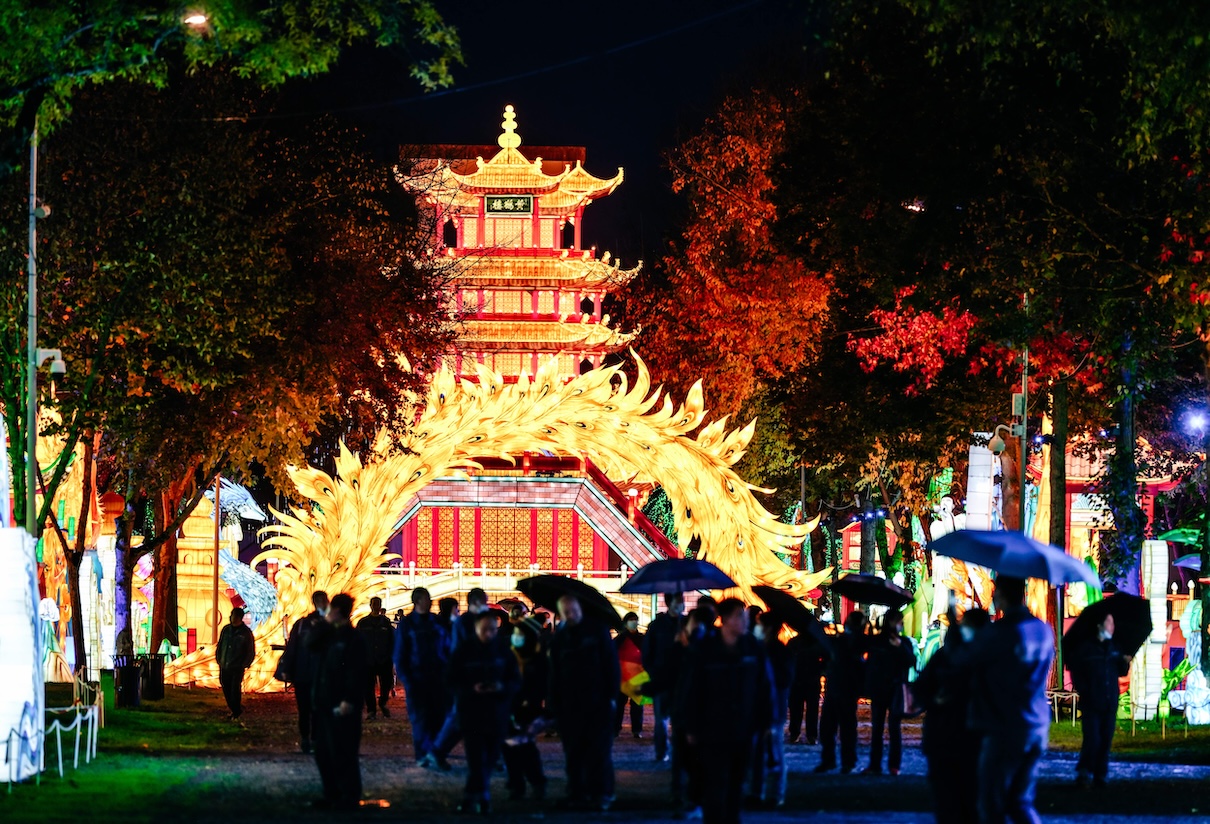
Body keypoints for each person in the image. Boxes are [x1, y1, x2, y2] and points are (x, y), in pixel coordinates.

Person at [954, 576, 1055, 824]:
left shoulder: (1001, 632)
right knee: (1021, 801)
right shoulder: (1042, 629)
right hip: (1036, 721)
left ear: (1002, 594)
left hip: (1006, 722)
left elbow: (966, 662)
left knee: (991, 802)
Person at [683, 598, 774, 824]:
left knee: (737, 781)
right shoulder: (706, 650)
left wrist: (766, 722)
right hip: (712, 727)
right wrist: (692, 726)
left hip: (744, 726)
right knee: (715, 781)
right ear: (725, 620)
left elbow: (765, 687)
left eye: (743, 616)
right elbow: (693, 689)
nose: (744, 620)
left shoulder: (753, 648)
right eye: (738, 616)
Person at [546, 593, 621, 811]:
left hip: (597, 702)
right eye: (565, 612)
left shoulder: (598, 631)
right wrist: (553, 704)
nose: (570, 615)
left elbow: (611, 667)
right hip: (569, 704)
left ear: (580, 608)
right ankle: (576, 792)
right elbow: (554, 673)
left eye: (573, 610)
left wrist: (611, 697)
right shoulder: (560, 637)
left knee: (598, 751)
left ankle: (602, 793)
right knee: (573, 752)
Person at [915, 607, 989, 824]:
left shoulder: (951, 656)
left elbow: (921, 688)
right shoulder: (985, 657)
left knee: (951, 799)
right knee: (967, 798)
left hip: (951, 735)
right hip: (965, 736)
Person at [449, 610, 520, 814]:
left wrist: (501, 688)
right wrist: (471, 689)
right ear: (476, 629)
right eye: (484, 630)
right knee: (475, 758)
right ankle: (481, 796)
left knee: (489, 757)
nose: (489, 634)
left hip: (496, 713)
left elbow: (514, 680)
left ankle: (474, 796)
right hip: (471, 712)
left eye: (492, 630)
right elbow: (451, 679)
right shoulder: (464, 651)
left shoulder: (504, 652)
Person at [310, 593, 368, 811]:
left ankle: (349, 796)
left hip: (343, 705)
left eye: (331, 609)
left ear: (339, 611)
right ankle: (331, 793)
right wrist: (325, 625)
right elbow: (310, 643)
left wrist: (350, 700)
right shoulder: (329, 635)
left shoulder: (354, 639)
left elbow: (358, 673)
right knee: (323, 752)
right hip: (323, 702)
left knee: (344, 752)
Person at [429, 588, 493, 770]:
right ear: (477, 602)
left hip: (482, 674)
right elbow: (458, 651)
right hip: (467, 676)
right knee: (459, 718)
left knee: (482, 719)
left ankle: (490, 758)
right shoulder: (463, 623)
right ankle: (438, 752)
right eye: (485, 601)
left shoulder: (482, 619)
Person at [1068, 613, 1132, 788]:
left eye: (1113, 623)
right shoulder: (1086, 649)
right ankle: (1084, 771)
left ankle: (1100, 774)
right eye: (1109, 623)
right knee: (1093, 739)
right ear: (1099, 625)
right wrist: (1085, 690)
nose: (1112, 627)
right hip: (1091, 702)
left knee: (1105, 740)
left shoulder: (1115, 648)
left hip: (1110, 700)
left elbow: (1121, 671)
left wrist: (1125, 662)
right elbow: (1077, 671)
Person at [393, 587, 449, 766]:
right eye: (426, 599)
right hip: (417, 679)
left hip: (438, 679)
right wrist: (407, 681)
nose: (430, 602)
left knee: (438, 718)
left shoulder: (437, 622)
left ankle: (436, 754)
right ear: (417, 601)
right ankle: (422, 754)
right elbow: (400, 655)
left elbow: (448, 648)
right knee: (420, 720)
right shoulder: (407, 624)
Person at [863, 609, 917, 775]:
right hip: (883, 688)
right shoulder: (878, 641)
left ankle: (890, 765)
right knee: (879, 728)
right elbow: (871, 664)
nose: (900, 625)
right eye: (899, 621)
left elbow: (911, 661)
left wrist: (899, 647)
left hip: (894, 689)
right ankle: (878, 765)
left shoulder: (902, 642)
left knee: (892, 728)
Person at [748, 611, 793, 808]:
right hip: (760, 707)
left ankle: (775, 794)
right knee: (758, 751)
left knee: (774, 751)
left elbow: (784, 680)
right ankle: (759, 792)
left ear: (766, 628)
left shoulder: (778, 651)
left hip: (774, 708)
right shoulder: (760, 649)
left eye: (759, 624)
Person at [814, 610, 868, 774]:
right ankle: (842, 761)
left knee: (837, 727)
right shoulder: (851, 640)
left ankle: (836, 760)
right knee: (842, 727)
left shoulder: (850, 641)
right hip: (843, 688)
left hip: (841, 687)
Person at [503, 617, 549, 801]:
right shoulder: (509, 655)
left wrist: (529, 702)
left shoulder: (538, 660)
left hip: (528, 710)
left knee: (526, 747)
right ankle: (516, 784)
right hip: (508, 707)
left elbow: (541, 687)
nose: (516, 637)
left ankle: (537, 782)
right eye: (515, 633)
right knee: (507, 748)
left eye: (520, 634)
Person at [278, 591, 329, 752]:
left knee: (318, 708)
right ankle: (306, 738)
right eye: (318, 600)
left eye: (323, 600)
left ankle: (314, 738)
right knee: (304, 709)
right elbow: (292, 648)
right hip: (304, 674)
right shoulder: (302, 625)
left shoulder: (331, 623)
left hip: (322, 675)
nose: (321, 603)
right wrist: (286, 668)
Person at [643, 592, 685, 764]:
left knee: (681, 719)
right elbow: (647, 653)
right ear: (668, 603)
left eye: (681, 601)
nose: (680, 605)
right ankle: (662, 752)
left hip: (682, 679)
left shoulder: (687, 624)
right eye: (677, 601)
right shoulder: (657, 626)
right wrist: (654, 672)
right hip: (661, 678)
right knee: (661, 719)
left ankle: (681, 752)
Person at [357, 596, 395, 719]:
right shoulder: (363, 623)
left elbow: (391, 640)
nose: (376, 606)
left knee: (386, 684)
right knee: (368, 687)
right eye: (374, 604)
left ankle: (382, 703)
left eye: (378, 604)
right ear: (370, 605)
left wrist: (390, 655)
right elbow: (358, 640)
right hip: (368, 660)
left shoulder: (386, 622)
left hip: (384, 659)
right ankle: (371, 710)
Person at [216, 606, 256, 720]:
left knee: (234, 689)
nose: (231, 618)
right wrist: (219, 658)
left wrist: (245, 663)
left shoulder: (245, 633)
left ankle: (236, 710)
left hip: (237, 666)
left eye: (233, 616)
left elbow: (250, 649)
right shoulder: (226, 630)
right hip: (225, 664)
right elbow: (220, 645)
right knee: (226, 687)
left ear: (239, 618)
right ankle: (234, 709)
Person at [787, 630, 826, 745]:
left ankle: (796, 733)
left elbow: (788, 660)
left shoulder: (793, 643)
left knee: (797, 709)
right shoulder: (816, 643)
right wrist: (819, 669)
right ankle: (810, 735)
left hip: (799, 680)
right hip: (810, 680)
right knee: (811, 710)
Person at [614, 611, 646, 738]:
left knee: (637, 704)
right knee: (619, 704)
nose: (634, 622)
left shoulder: (642, 638)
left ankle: (637, 730)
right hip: (622, 676)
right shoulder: (620, 639)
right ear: (626, 622)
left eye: (636, 619)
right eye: (631, 620)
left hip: (638, 675)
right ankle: (615, 729)